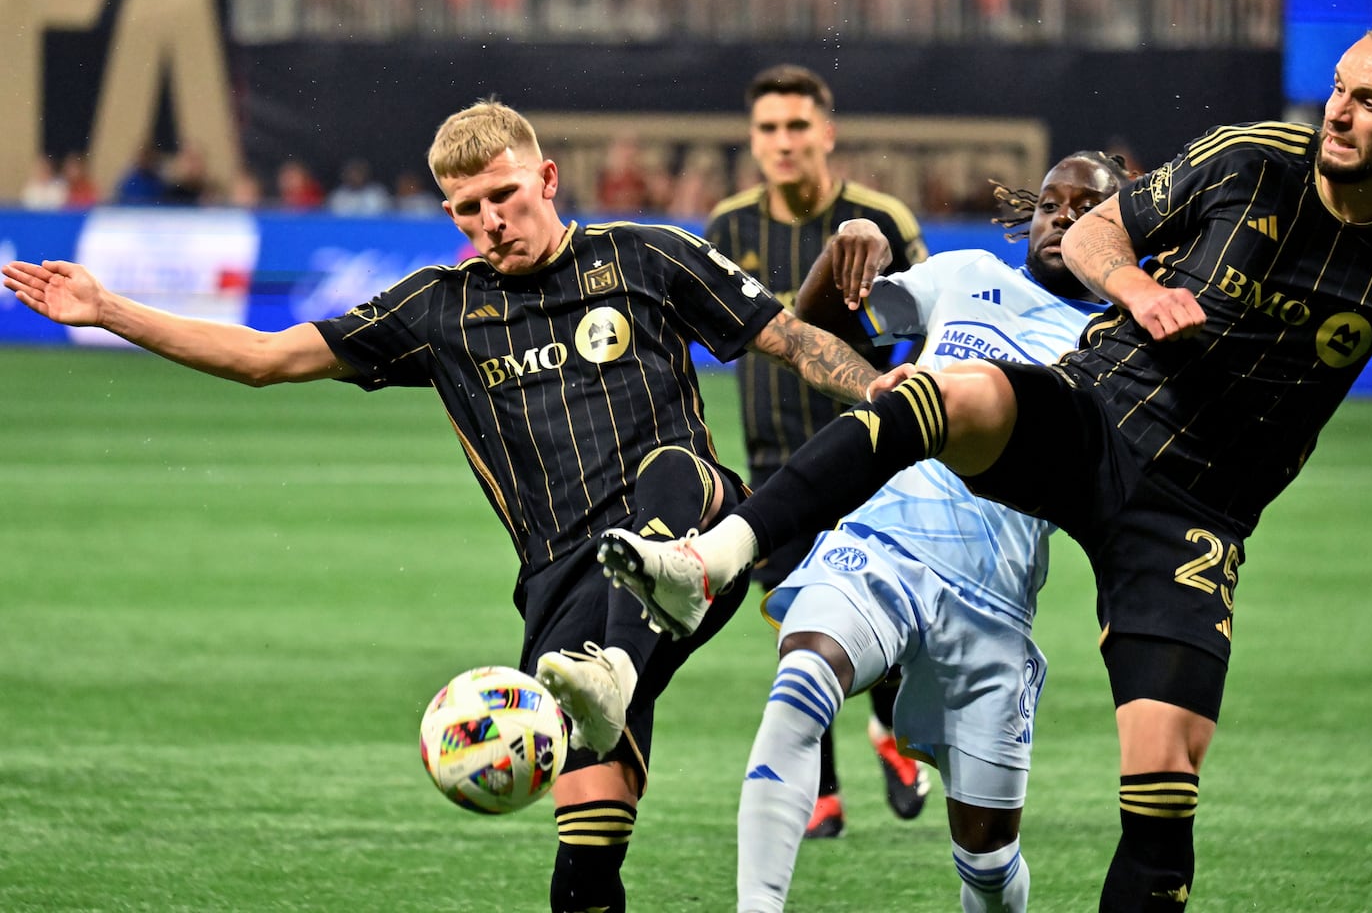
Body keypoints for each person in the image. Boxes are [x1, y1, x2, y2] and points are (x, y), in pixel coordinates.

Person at [599, 23, 1372, 910]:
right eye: (1337, 88)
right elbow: (1092, 241)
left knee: (1155, 794)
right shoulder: (1240, 164)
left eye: (1369, 102)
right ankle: (710, 560)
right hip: (1082, 429)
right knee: (948, 399)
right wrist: (1137, 291)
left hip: (1184, 519)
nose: (1339, 113)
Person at [2, 99, 884, 913]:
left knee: (677, 468)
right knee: (586, 860)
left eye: (504, 194)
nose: (491, 221)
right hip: (562, 589)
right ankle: (606, 679)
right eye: (468, 209)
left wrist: (896, 401)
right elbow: (265, 358)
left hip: (691, 536)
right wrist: (111, 310)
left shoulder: (647, 255)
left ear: (545, 179)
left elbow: (792, 342)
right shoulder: (439, 308)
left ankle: (622, 652)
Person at [735, 151, 1129, 913]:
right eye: (1052, 204)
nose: (1063, 219)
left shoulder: (1118, 345)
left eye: (1089, 210)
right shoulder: (965, 275)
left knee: (986, 862)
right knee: (800, 685)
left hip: (993, 602)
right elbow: (815, 329)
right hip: (882, 543)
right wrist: (845, 245)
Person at [706, 62, 932, 837]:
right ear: (753, 140)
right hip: (775, 463)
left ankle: (893, 730)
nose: (783, 142)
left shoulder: (882, 220)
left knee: (876, 616)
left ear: (826, 133)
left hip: (874, 458)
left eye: (798, 126)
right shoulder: (727, 228)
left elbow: (933, 328)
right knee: (797, 623)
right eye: (768, 129)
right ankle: (822, 789)